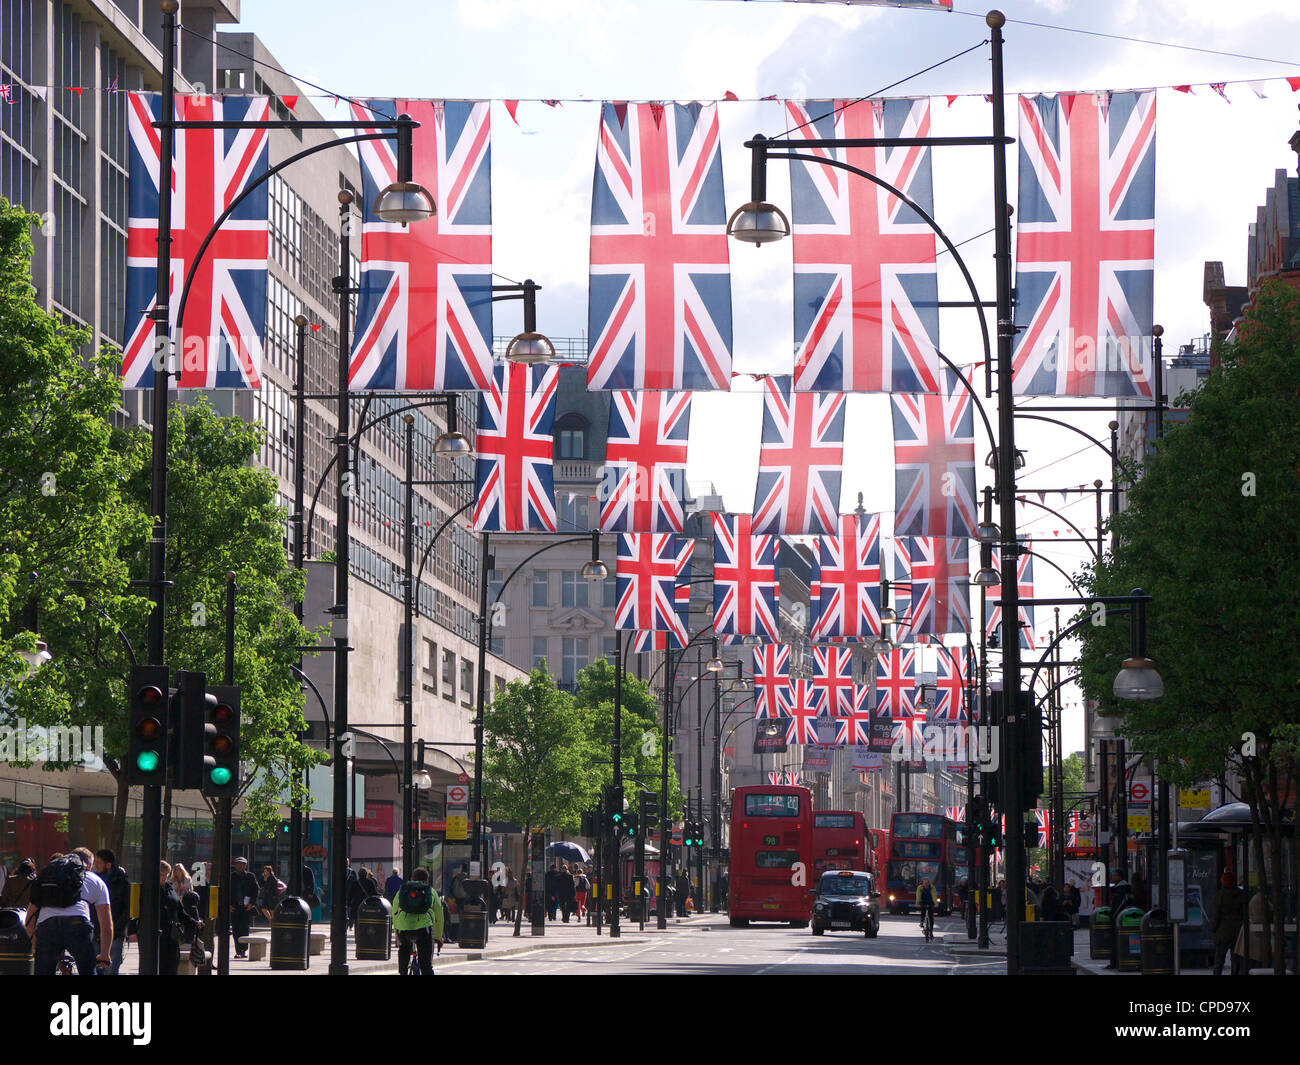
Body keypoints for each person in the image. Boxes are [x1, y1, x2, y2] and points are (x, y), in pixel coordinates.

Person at [25, 847, 112, 976]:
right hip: (77, 924)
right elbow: (106, 924)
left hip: (47, 926)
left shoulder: (50, 877)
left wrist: (34, 943)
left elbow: (30, 915)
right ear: (89, 865)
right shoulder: (95, 880)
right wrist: (104, 954)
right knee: (87, 970)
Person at [393, 867, 444, 975]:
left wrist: (397, 933)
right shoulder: (430, 891)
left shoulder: (403, 890)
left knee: (404, 948)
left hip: (404, 928)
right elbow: (439, 916)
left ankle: (402, 971)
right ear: (427, 880)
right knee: (426, 967)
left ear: (412, 878)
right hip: (423, 929)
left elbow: (395, 911)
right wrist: (438, 937)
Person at [92, 850, 130, 975]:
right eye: (95, 862)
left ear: (108, 865)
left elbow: (127, 908)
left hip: (115, 935)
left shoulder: (122, 882)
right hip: (96, 932)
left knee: (111, 971)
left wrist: (117, 927)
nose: (95, 865)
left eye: (99, 863)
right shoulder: (93, 880)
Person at [1211, 870, 1246, 976]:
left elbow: (1216, 916)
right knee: (1235, 959)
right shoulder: (1240, 894)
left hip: (1223, 931)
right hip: (1237, 930)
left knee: (1219, 960)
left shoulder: (1220, 895)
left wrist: (1214, 929)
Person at [1234, 887, 1271, 972]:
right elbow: (1258, 919)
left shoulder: (1259, 899)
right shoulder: (1259, 900)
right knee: (1253, 965)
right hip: (1254, 938)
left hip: (1253, 938)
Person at [230, 856, 259, 958]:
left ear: (245, 865)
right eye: (238, 864)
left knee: (244, 929)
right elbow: (225, 892)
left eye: (242, 864)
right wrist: (229, 905)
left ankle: (244, 950)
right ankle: (238, 951)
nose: (240, 866)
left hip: (246, 907)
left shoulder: (250, 876)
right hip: (234, 907)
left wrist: (252, 903)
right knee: (236, 929)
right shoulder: (231, 877)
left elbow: (256, 890)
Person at [1105, 870, 1132, 969]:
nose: (1112, 877)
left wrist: (1112, 915)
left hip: (1118, 918)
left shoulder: (1121, 889)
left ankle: (1115, 962)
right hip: (1122, 918)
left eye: (1114, 875)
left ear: (1120, 877)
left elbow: (1118, 904)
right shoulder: (1122, 888)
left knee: (1115, 941)